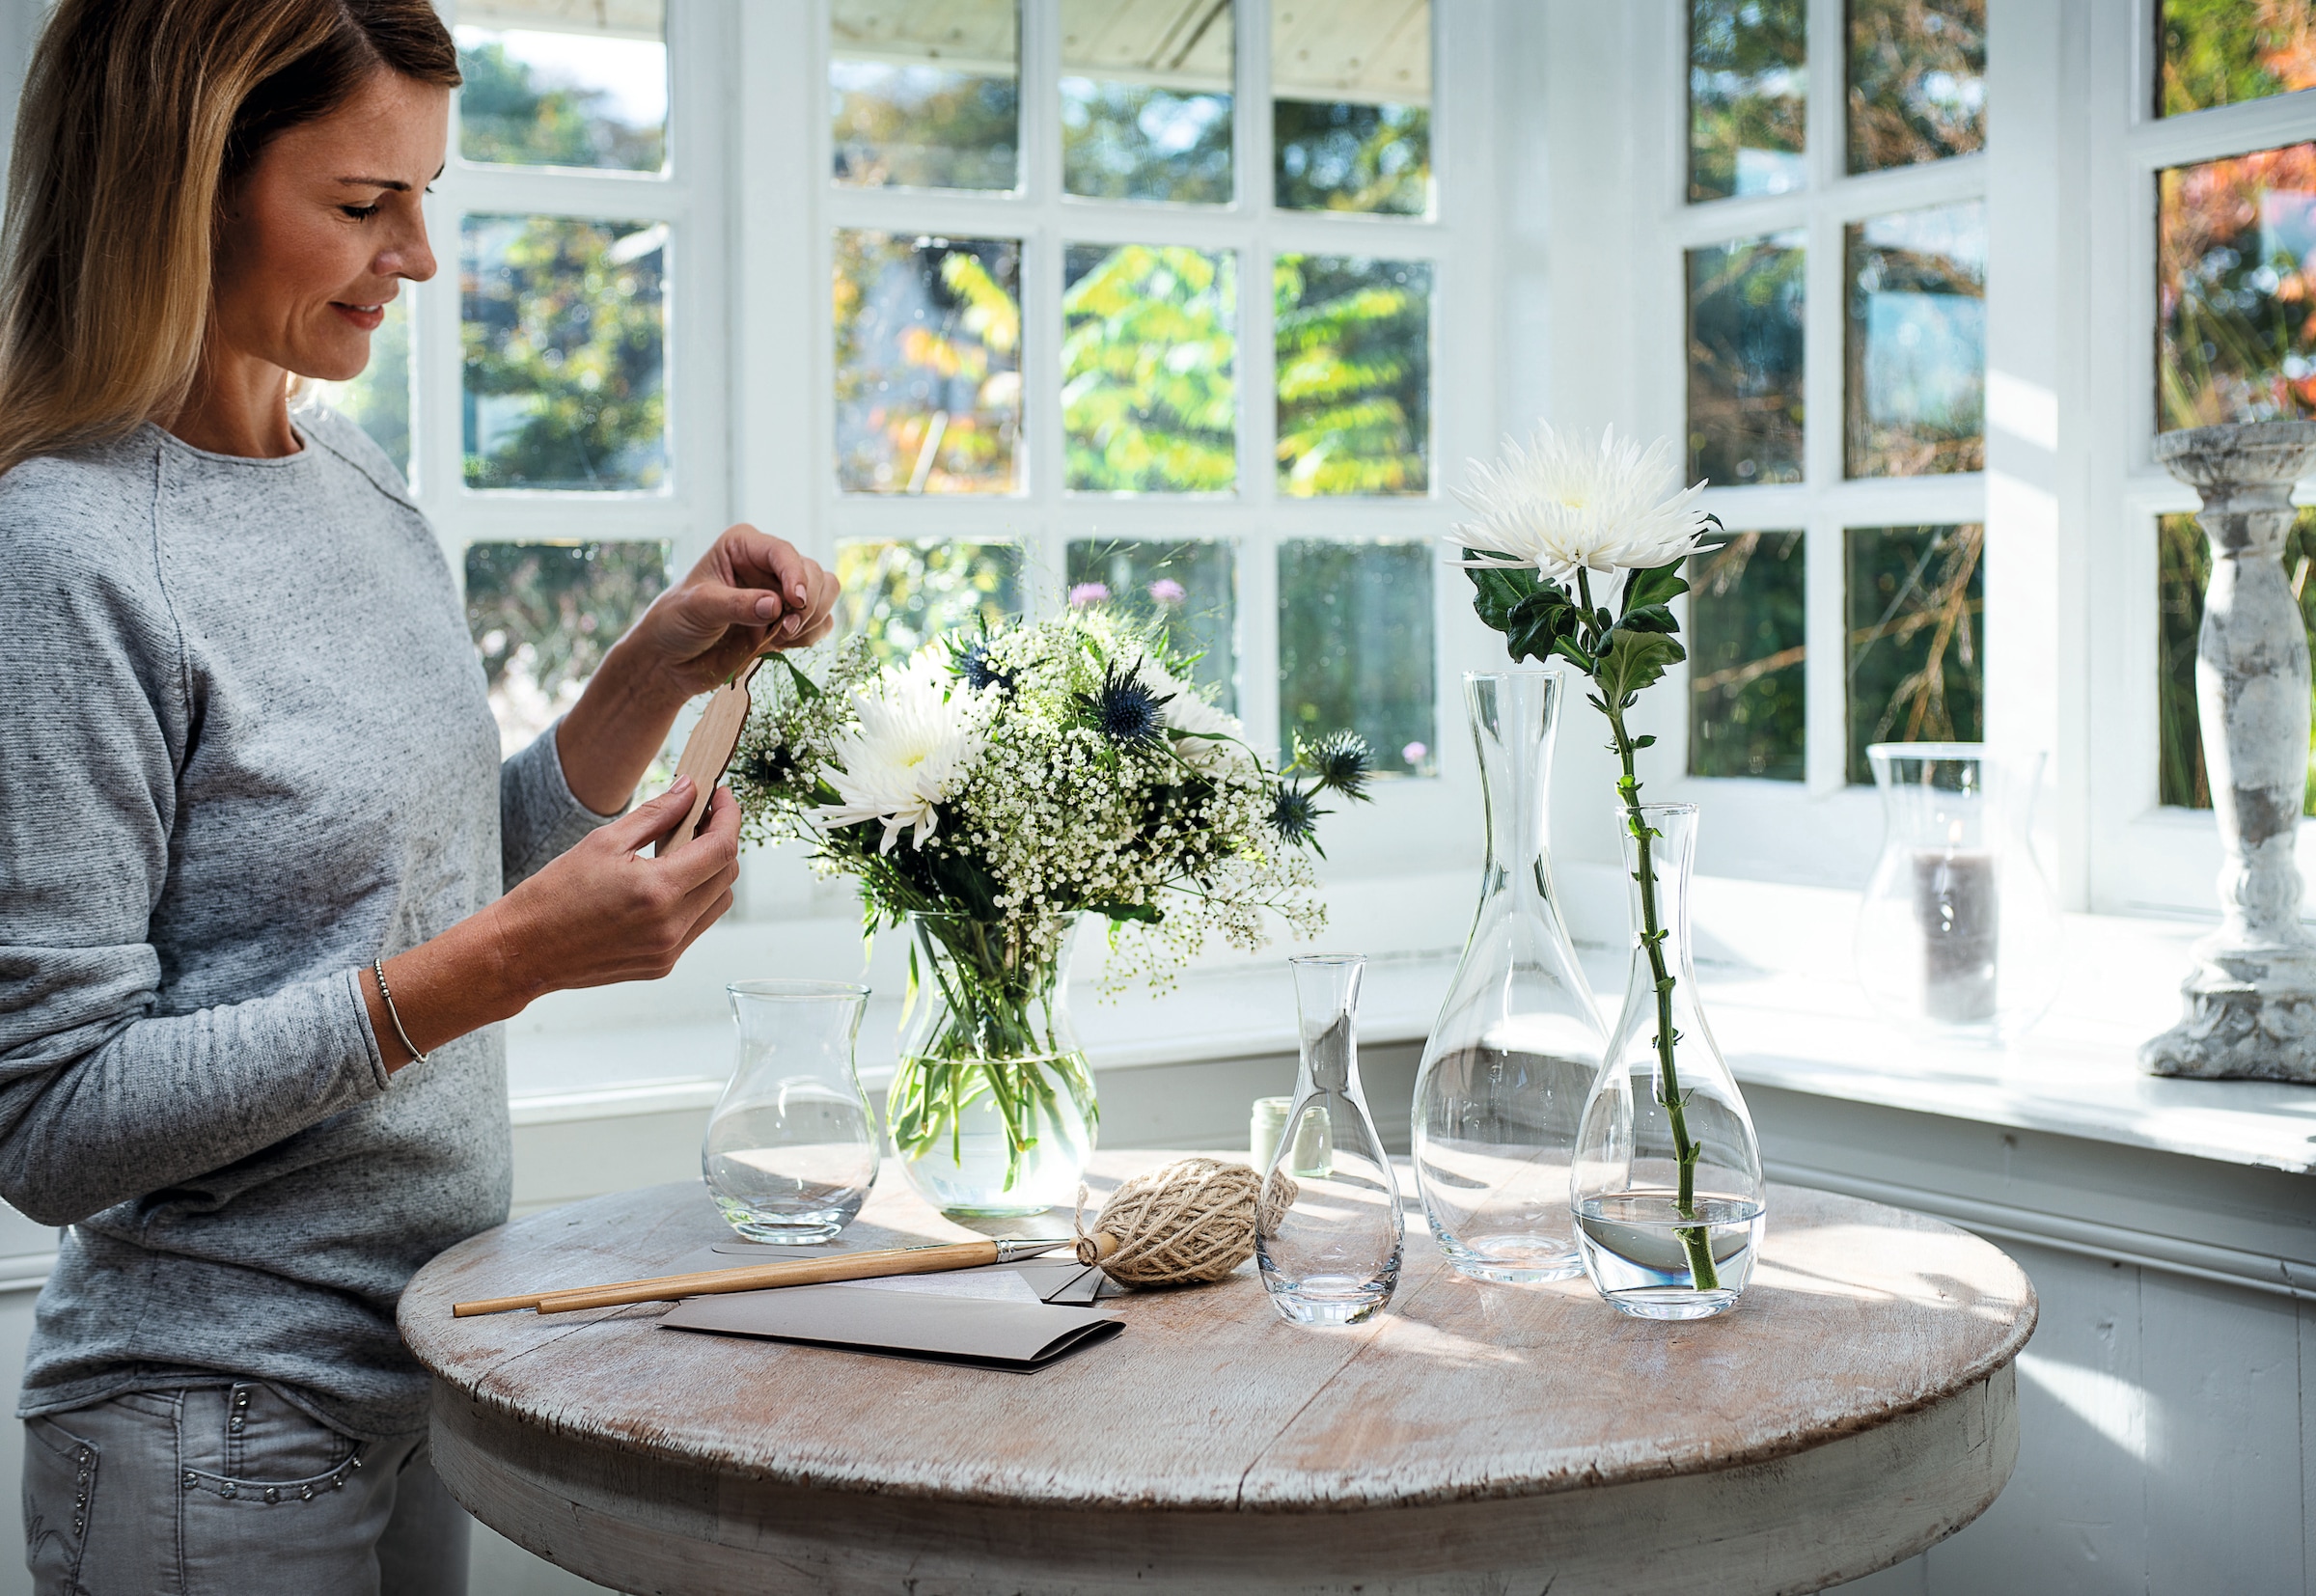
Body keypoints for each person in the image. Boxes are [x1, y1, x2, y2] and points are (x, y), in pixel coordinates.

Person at [0, 3, 839, 1589]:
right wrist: (509, 963)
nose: (419, 261)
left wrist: (649, 675)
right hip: (211, 1427)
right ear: (183, 183)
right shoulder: (64, 553)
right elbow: (49, 1119)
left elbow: (414, 880)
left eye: (426, 197)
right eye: (363, 204)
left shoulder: (361, 486)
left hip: (413, 1371)